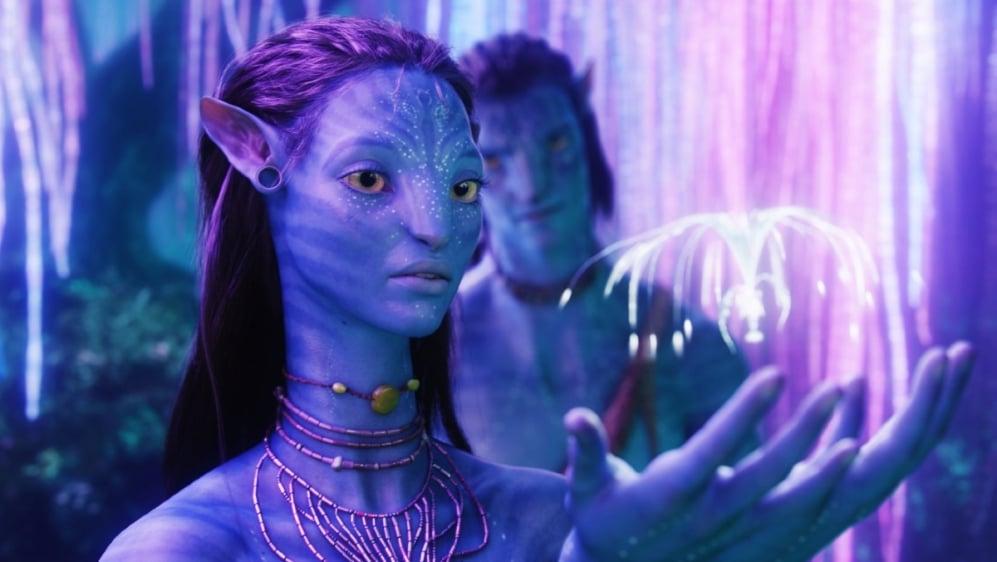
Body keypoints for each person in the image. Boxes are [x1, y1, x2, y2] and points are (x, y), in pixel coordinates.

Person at [100, 17, 975, 562]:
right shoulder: (187, 546)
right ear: (258, 160)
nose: (436, 225)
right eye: (370, 179)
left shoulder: (544, 511)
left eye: (460, 184)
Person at [453, 34, 753, 470]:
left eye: (555, 144)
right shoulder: (433, 347)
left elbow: (750, 506)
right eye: (495, 162)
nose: (532, 186)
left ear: (586, 137)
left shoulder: (691, 344)